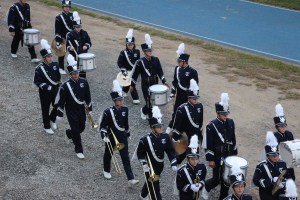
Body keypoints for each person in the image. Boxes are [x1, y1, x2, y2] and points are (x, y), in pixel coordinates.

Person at [99, 80, 139, 187]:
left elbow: (126, 124)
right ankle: (106, 170)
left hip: (122, 137)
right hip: (111, 137)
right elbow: (102, 126)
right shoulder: (108, 112)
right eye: (119, 100)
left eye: (122, 99)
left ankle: (131, 178)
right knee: (108, 154)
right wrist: (104, 136)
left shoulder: (125, 109)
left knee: (125, 157)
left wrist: (128, 133)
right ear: (114, 101)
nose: (122, 102)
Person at [55, 54, 92, 159]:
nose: (76, 75)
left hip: (81, 108)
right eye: (73, 74)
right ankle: (79, 149)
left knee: (82, 127)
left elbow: (87, 96)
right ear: (70, 74)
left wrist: (90, 108)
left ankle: (69, 133)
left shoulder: (84, 82)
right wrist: (60, 113)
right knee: (76, 129)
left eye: (77, 73)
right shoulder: (65, 86)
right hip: (70, 109)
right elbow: (62, 101)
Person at [202, 93, 238, 200]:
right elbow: (209, 143)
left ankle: (223, 197)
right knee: (216, 179)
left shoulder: (231, 122)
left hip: (228, 155)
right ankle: (205, 187)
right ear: (218, 113)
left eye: (226, 114)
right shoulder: (211, 125)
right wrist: (211, 159)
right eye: (223, 114)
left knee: (226, 179)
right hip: (217, 156)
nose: (225, 116)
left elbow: (233, 138)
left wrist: (235, 152)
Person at [137, 106, 177, 200]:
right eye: (158, 127)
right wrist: (143, 163)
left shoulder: (165, 137)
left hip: (160, 165)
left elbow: (170, 151)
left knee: (150, 181)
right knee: (156, 187)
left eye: (161, 126)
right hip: (149, 167)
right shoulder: (145, 140)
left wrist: (173, 162)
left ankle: (143, 195)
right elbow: (140, 154)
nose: (161, 128)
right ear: (152, 128)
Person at [130, 33, 169, 119]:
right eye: (148, 50)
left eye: (151, 50)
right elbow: (135, 75)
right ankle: (152, 119)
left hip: (155, 84)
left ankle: (145, 111)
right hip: (145, 85)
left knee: (154, 102)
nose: (150, 52)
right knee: (149, 102)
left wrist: (164, 81)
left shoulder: (156, 59)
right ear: (144, 52)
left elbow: (160, 71)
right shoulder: (140, 62)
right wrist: (132, 85)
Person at [166, 43, 199, 134]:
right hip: (179, 96)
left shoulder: (192, 72)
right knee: (176, 112)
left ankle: (183, 129)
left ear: (184, 61)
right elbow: (175, 82)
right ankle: (171, 126)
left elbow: (196, 86)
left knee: (188, 113)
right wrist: (172, 93)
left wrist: (194, 98)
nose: (178, 63)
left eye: (179, 61)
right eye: (178, 61)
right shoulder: (177, 69)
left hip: (188, 97)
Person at [171, 79, 203, 164]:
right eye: (194, 98)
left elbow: (200, 123)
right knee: (179, 157)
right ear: (189, 98)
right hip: (185, 137)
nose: (196, 100)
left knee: (194, 156)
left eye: (197, 98)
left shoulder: (200, 106)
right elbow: (177, 124)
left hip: (195, 136)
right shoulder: (182, 109)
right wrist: (175, 138)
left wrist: (200, 137)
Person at [253, 131, 291, 200]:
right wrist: (271, 181)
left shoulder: (282, 164)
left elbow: (288, 177)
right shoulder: (261, 167)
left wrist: (284, 183)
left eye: (277, 154)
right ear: (267, 155)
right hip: (267, 195)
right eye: (273, 155)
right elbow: (256, 181)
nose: (276, 157)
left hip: (281, 194)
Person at [33, 39, 61, 134]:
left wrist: (58, 83)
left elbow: (58, 77)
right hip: (45, 92)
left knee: (58, 105)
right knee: (45, 109)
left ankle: (52, 119)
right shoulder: (39, 69)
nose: (50, 58)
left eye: (51, 56)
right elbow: (36, 81)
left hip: (55, 90)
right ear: (44, 58)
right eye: (48, 57)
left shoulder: (55, 65)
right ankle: (46, 126)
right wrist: (45, 86)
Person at [176, 135, 207, 200]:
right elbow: (179, 186)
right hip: (185, 197)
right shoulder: (181, 171)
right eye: (192, 159)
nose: (195, 161)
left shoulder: (202, 167)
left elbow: (203, 179)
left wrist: (201, 184)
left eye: (196, 159)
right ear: (187, 159)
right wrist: (190, 187)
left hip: (196, 196)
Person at [117, 29, 140, 104]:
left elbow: (138, 62)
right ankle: (135, 98)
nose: (130, 45)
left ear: (134, 44)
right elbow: (119, 62)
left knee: (129, 82)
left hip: (134, 71)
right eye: (129, 44)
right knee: (131, 83)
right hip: (127, 71)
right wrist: (123, 70)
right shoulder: (123, 53)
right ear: (126, 44)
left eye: (132, 44)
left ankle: (124, 91)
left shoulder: (137, 52)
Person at [66, 11, 92, 78]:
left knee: (83, 72)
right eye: (77, 27)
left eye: (79, 27)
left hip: (83, 56)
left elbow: (89, 42)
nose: (78, 28)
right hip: (74, 56)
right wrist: (70, 48)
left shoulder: (84, 33)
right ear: (74, 27)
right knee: (74, 72)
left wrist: (86, 46)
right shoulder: (70, 35)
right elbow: (67, 45)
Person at [273, 103, 295, 180]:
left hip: (289, 162)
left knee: (291, 178)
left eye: (284, 125)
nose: (283, 128)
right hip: (279, 163)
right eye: (281, 126)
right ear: (277, 127)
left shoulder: (289, 134)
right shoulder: (274, 137)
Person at [55, 0, 73, 74]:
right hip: (63, 37)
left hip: (71, 38)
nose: (67, 8)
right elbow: (57, 30)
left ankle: (71, 67)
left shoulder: (72, 16)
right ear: (62, 7)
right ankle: (61, 67)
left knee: (72, 54)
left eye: (68, 7)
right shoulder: (59, 17)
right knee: (62, 53)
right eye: (65, 6)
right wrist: (58, 41)